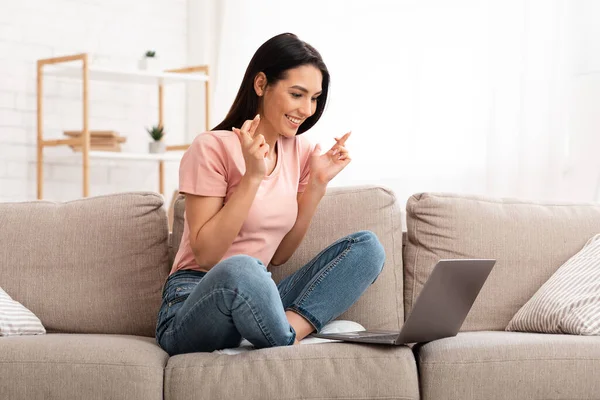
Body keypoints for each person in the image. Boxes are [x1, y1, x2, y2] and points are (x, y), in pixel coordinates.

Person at [155, 33, 385, 355]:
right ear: (261, 84)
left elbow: (279, 256)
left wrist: (317, 184)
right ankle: (284, 338)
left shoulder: (301, 152)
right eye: (297, 94)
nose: (307, 109)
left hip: (260, 296)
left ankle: (281, 330)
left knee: (367, 248)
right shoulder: (211, 147)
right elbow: (207, 256)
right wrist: (252, 177)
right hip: (193, 301)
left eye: (315, 98)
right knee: (242, 267)